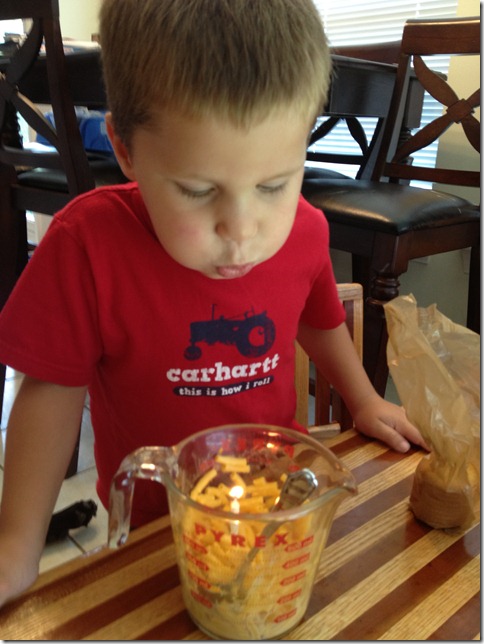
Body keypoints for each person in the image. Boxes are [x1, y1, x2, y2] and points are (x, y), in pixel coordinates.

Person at [0, 0, 427, 608]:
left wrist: (363, 399)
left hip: (274, 511)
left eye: (274, 185)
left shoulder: (305, 231)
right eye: (199, 191)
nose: (242, 230)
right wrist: (17, 549)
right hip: (156, 530)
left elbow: (316, 318)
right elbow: (50, 393)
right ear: (125, 149)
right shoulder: (86, 246)